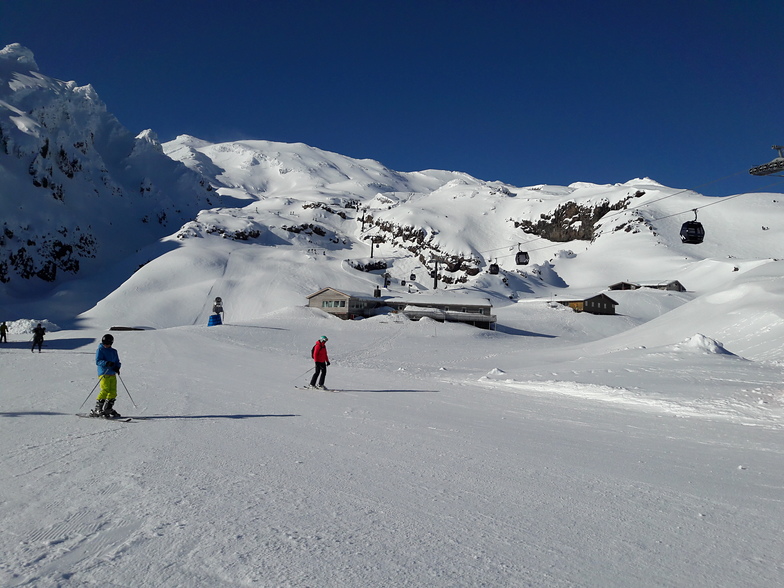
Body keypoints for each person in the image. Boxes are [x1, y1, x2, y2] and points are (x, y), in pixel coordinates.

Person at [91, 333, 123, 418]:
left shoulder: (114, 351)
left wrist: (117, 367)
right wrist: (106, 363)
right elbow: (98, 361)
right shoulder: (100, 350)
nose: (106, 345)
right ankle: (98, 408)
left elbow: (117, 361)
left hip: (112, 373)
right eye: (105, 343)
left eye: (108, 344)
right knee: (105, 390)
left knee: (113, 391)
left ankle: (108, 408)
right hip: (104, 373)